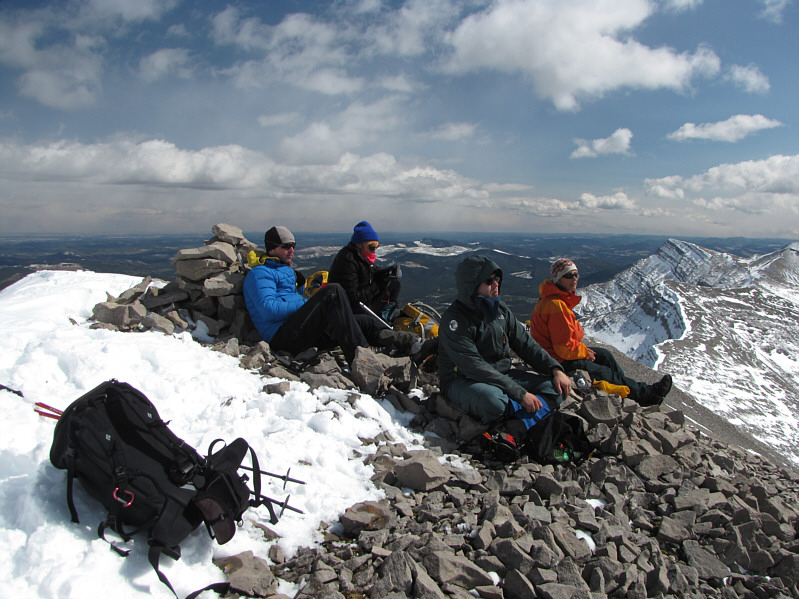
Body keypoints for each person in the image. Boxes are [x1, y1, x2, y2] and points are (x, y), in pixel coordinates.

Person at [243, 226, 419, 363]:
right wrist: (308, 304)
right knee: (333, 291)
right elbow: (268, 309)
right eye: (286, 246)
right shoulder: (260, 273)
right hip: (282, 337)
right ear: (272, 249)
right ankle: (362, 359)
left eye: (293, 246)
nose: (292, 250)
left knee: (364, 321)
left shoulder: (286, 270)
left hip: (299, 329)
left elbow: (292, 300)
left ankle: (409, 343)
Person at [438, 255, 572, 425]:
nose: (496, 284)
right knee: (495, 402)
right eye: (488, 280)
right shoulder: (455, 320)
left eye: (497, 279)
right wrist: (520, 394)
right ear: (471, 286)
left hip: (502, 375)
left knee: (555, 388)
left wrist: (555, 369)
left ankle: (517, 426)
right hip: (462, 380)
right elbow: (473, 366)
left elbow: (526, 344)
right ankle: (522, 423)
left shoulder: (500, 310)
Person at [530, 258, 672, 406]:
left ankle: (626, 390)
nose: (574, 279)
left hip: (557, 355)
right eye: (568, 275)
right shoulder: (556, 306)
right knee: (604, 372)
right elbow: (563, 348)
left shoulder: (559, 301)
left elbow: (573, 337)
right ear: (558, 279)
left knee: (605, 356)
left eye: (576, 274)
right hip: (555, 361)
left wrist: (583, 349)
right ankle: (647, 395)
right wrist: (585, 352)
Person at [328, 221, 401, 321]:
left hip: (361, 304)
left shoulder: (360, 256)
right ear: (359, 244)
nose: (374, 250)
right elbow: (353, 297)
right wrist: (379, 284)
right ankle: (383, 318)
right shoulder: (347, 260)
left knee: (394, 283)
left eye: (376, 246)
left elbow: (371, 271)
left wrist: (385, 273)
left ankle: (387, 313)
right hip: (352, 310)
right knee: (391, 284)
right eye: (371, 247)